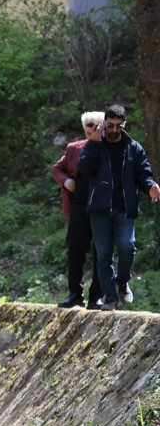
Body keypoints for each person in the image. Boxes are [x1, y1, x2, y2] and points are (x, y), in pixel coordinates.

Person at [78, 104, 160, 310]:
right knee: (104, 254)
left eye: (118, 126)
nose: (114, 130)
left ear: (124, 124)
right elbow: (84, 169)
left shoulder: (134, 147)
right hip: (99, 209)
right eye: (110, 126)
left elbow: (143, 173)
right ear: (104, 124)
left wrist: (150, 185)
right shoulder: (95, 144)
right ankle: (111, 299)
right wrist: (95, 143)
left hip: (124, 208)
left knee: (127, 246)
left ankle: (122, 280)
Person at [52, 111, 103, 308]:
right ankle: (75, 294)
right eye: (87, 132)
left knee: (101, 250)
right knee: (75, 248)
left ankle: (96, 297)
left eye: (95, 130)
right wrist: (66, 182)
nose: (90, 135)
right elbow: (57, 169)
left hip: (102, 208)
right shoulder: (74, 149)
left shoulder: (111, 148)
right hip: (79, 206)